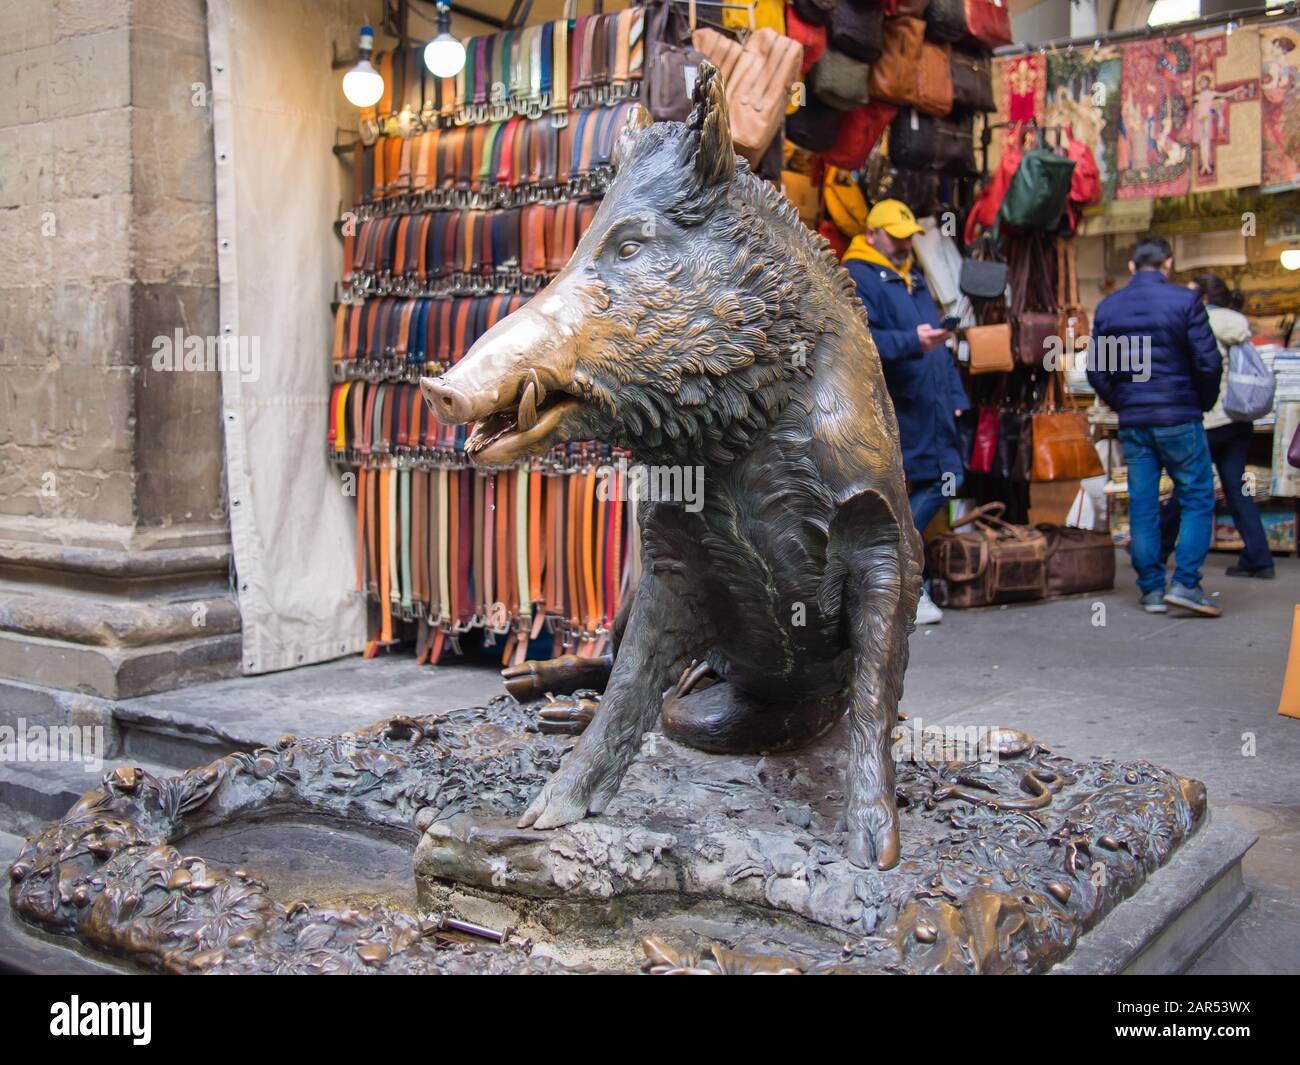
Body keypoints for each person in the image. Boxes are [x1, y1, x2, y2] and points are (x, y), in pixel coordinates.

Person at [844, 199, 968, 625]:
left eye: (906, 237)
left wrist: (954, 396)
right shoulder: (859, 276)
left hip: (930, 401)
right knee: (920, 486)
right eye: (895, 237)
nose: (902, 244)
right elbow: (859, 343)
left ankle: (899, 578)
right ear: (873, 233)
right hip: (897, 405)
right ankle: (902, 582)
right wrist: (912, 342)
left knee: (947, 478)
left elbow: (936, 345)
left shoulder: (911, 276)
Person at [1087, 235, 1224, 617]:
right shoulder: (1186, 301)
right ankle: (1186, 583)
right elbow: (1209, 362)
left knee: (1143, 502)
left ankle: (1150, 591)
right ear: (1168, 264)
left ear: (1132, 266)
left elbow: (1097, 370)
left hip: (1135, 421)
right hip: (1180, 416)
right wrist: (1201, 402)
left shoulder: (1109, 307)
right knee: (1197, 497)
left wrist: (1122, 401)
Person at [1160, 274, 1274, 579]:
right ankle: (1259, 557)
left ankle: (1158, 549)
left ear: (1204, 299)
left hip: (1210, 419)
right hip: (1239, 418)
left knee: (1187, 485)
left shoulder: (1199, 321)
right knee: (1236, 489)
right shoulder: (1238, 323)